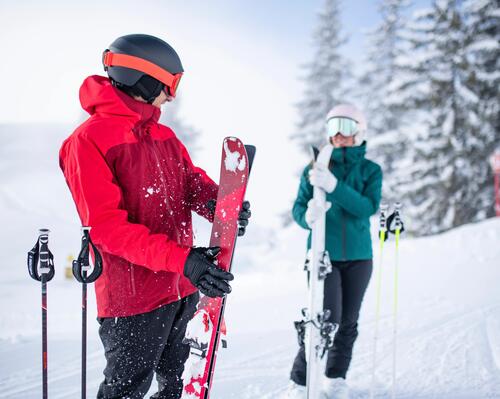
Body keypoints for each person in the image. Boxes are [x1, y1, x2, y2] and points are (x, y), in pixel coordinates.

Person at [59, 34, 251, 399]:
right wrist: (184, 260)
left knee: (178, 385)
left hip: (181, 291)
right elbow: (107, 229)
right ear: (142, 77)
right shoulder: (87, 141)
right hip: (132, 302)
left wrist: (220, 205)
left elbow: (190, 184)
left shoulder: (163, 135)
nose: (171, 95)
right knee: (126, 391)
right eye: (170, 83)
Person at [287, 104, 382, 399]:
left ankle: (336, 378)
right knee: (324, 318)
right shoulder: (313, 169)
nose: (340, 133)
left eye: (347, 126)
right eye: (333, 126)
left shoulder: (370, 170)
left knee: (348, 321)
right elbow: (298, 208)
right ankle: (300, 382)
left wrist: (335, 186)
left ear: (360, 131)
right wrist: (309, 216)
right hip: (321, 256)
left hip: (358, 257)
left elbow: (367, 208)